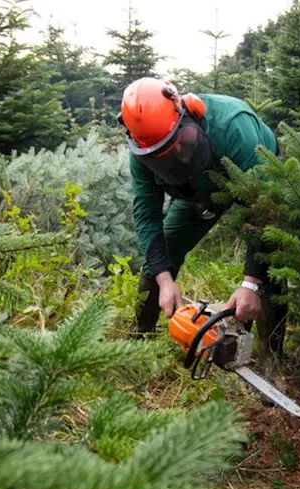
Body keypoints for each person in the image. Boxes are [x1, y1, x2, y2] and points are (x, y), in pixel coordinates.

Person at [118, 76, 287, 355]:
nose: (178, 155)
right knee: (160, 258)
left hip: (257, 181)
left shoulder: (233, 125)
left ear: (187, 113)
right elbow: (147, 215)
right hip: (197, 193)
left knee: (273, 261)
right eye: (161, 156)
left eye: (180, 144)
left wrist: (251, 284)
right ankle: (138, 345)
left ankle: (272, 357)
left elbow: (265, 209)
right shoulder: (142, 153)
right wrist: (164, 279)